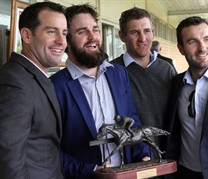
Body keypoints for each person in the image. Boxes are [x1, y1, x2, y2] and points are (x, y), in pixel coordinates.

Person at [50, 4, 150, 179]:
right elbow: (49, 150)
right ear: (67, 40)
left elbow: (132, 120)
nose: (92, 37)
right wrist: (90, 170)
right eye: (82, 32)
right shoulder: (55, 87)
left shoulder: (119, 73)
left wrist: (142, 154)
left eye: (95, 29)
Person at [0, 2, 67, 179]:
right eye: (52, 32)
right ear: (27, 36)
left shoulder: (35, 76)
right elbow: (8, 161)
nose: (62, 41)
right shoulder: (14, 81)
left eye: (64, 33)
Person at [165, 16, 208, 179]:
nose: (202, 48)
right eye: (192, 42)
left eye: (207, 39)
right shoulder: (176, 84)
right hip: (184, 173)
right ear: (181, 48)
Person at [112, 7, 177, 160]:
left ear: (153, 33)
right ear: (122, 36)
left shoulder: (167, 70)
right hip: (130, 160)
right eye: (134, 32)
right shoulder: (111, 72)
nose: (142, 38)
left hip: (167, 157)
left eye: (147, 31)